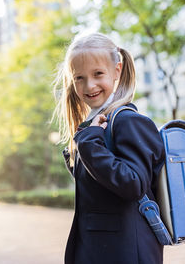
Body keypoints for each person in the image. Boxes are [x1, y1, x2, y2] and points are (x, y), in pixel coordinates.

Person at [52, 32, 165, 264]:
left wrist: (89, 144)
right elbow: (100, 190)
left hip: (125, 252)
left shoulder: (128, 121)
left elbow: (133, 183)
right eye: (79, 78)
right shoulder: (94, 125)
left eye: (98, 74)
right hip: (98, 250)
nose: (89, 85)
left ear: (117, 70)